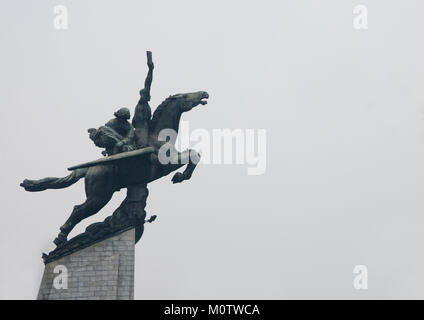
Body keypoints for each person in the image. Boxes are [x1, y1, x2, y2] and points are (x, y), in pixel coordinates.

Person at [132, 51, 154, 148]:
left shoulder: (145, 105)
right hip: (141, 132)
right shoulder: (141, 105)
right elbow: (148, 82)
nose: (148, 95)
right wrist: (150, 69)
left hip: (146, 130)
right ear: (142, 95)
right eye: (146, 93)